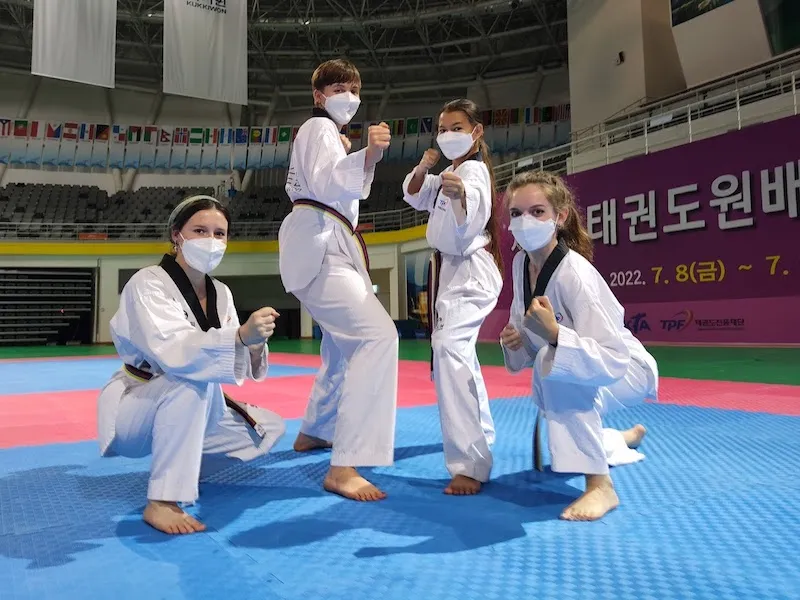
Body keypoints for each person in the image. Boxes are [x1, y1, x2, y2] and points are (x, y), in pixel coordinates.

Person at [97, 195, 286, 535]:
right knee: (189, 381)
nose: (211, 241)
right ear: (177, 235)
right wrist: (240, 337)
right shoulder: (148, 282)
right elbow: (175, 351)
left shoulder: (222, 293)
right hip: (138, 403)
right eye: (200, 230)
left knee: (268, 428)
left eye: (220, 233)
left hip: (192, 404)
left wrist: (254, 345)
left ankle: (181, 454)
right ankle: (163, 500)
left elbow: (233, 354)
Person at [500, 170, 656, 521]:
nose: (525, 221)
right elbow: (527, 336)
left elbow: (613, 356)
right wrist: (517, 339)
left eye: (537, 212)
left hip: (627, 368)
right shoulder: (520, 263)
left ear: (560, 217)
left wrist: (555, 336)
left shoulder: (576, 274)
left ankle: (601, 487)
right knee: (548, 370)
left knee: (556, 368)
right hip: (583, 366)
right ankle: (620, 439)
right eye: (516, 213)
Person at [278, 58, 398, 502]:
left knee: (340, 348)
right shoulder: (318, 129)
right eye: (338, 87)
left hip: (331, 242)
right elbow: (331, 185)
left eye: (353, 87)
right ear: (319, 95)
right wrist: (369, 154)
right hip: (322, 243)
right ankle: (346, 463)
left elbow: (336, 184)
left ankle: (316, 429)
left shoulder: (327, 135)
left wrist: (359, 155)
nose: (349, 94)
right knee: (377, 337)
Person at [401, 99, 503, 495]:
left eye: (457, 127)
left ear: (476, 133)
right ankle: (483, 435)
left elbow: (472, 215)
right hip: (449, 273)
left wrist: (460, 195)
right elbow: (413, 193)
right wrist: (426, 167)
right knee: (460, 354)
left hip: (470, 270)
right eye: (443, 128)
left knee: (448, 350)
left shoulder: (473, 172)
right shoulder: (449, 170)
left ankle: (470, 464)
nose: (448, 134)